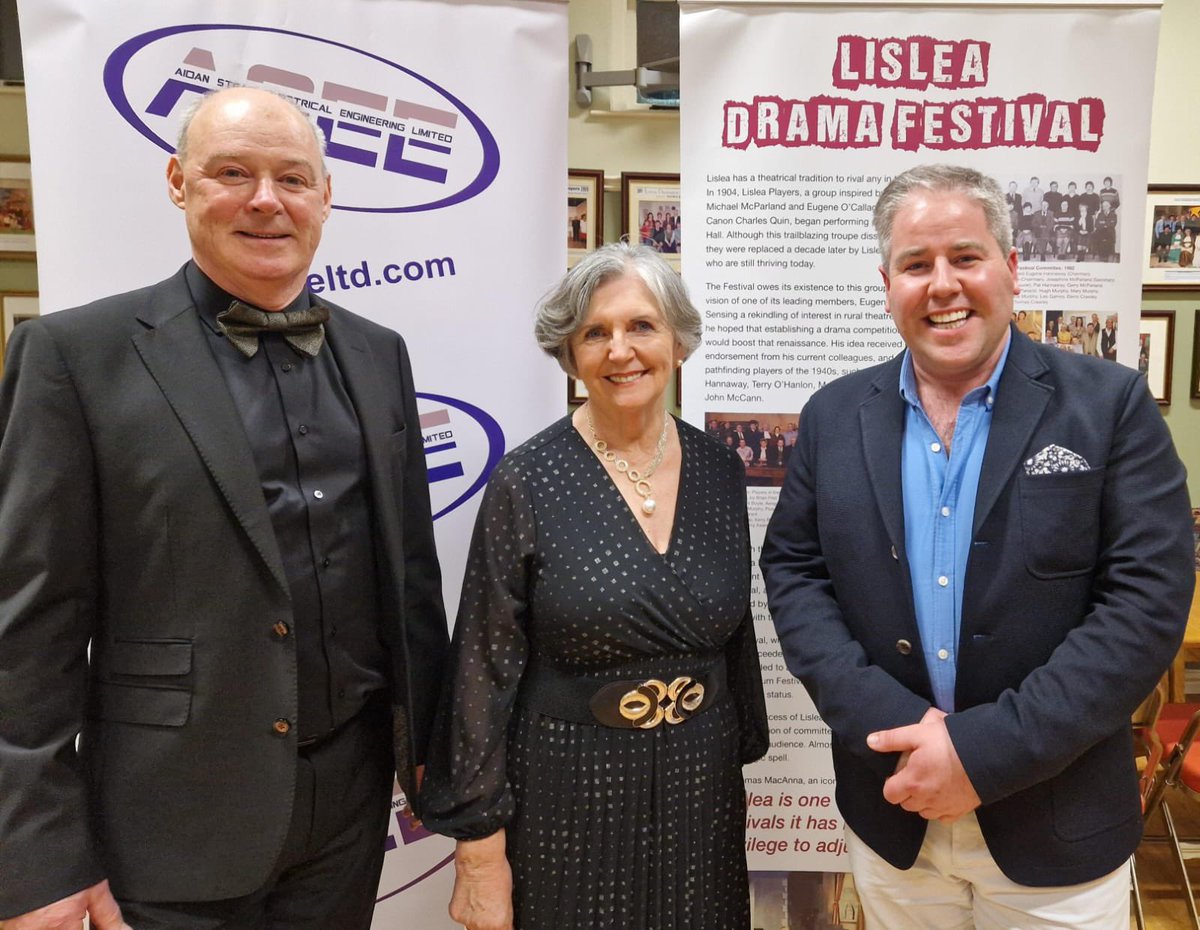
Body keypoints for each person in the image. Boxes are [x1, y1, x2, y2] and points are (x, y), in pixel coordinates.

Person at [0, 87, 449, 930]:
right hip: (169, 823)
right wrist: (36, 863)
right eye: (232, 173)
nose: (266, 201)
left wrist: (436, 767)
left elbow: (409, 584)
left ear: (325, 196)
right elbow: (26, 633)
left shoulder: (377, 353)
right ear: (179, 182)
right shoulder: (73, 358)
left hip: (350, 818)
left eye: (292, 177)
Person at [760, 164, 1194, 930]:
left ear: (1011, 267)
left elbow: (1145, 604)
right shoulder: (832, 417)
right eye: (916, 265)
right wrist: (897, 730)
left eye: (965, 257)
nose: (943, 285)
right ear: (885, 281)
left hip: (1055, 826)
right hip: (893, 808)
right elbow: (796, 574)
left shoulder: (1109, 406)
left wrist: (979, 754)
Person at [421, 242, 769, 930]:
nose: (620, 351)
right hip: (566, 791)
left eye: (641, 326)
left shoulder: (720, 469)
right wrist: (480, 854)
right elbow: (481, 672)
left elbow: (735, 640)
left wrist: (738, 746)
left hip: (701, 788)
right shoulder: (528, 481)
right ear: (569, 354)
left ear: (677, 342)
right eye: (595, 333)